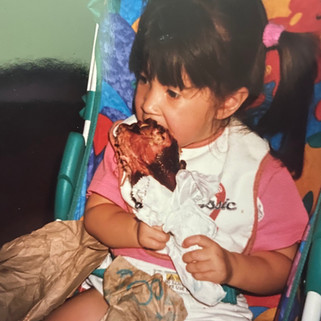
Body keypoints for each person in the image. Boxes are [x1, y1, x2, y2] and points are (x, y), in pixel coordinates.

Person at [45, 0, 319, 320]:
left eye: (172, 93)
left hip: (208, 305)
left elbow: (284, 264)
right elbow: (97, 213)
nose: (148, 103)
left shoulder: (258, 170)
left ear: (228, 102)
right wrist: (132, 231)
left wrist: (233, 267)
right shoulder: (130, 142)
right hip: (128, 282)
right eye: (145, 79)